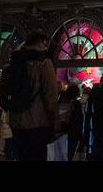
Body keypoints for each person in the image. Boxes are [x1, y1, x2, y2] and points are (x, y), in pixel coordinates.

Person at [3, 31, 60, 161]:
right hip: (37, 124)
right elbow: (50, 95)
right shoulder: (43, 62)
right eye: (45, 44)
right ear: (41, 43)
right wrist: (55, 121)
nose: (47, 47)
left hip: (17, 123)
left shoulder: (15, 61)